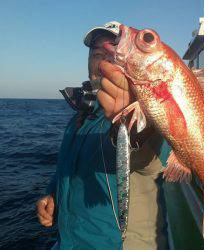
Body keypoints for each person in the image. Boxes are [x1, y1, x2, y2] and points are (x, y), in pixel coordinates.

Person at [36, 21, 170, 250]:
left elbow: (154, 162)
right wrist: (52, 194)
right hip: (68, 242)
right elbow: (66, 169)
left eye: (113, 53)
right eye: (97, 54)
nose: (104, 62)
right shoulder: (80, 116)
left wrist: (128, 123)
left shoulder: (148, 111)